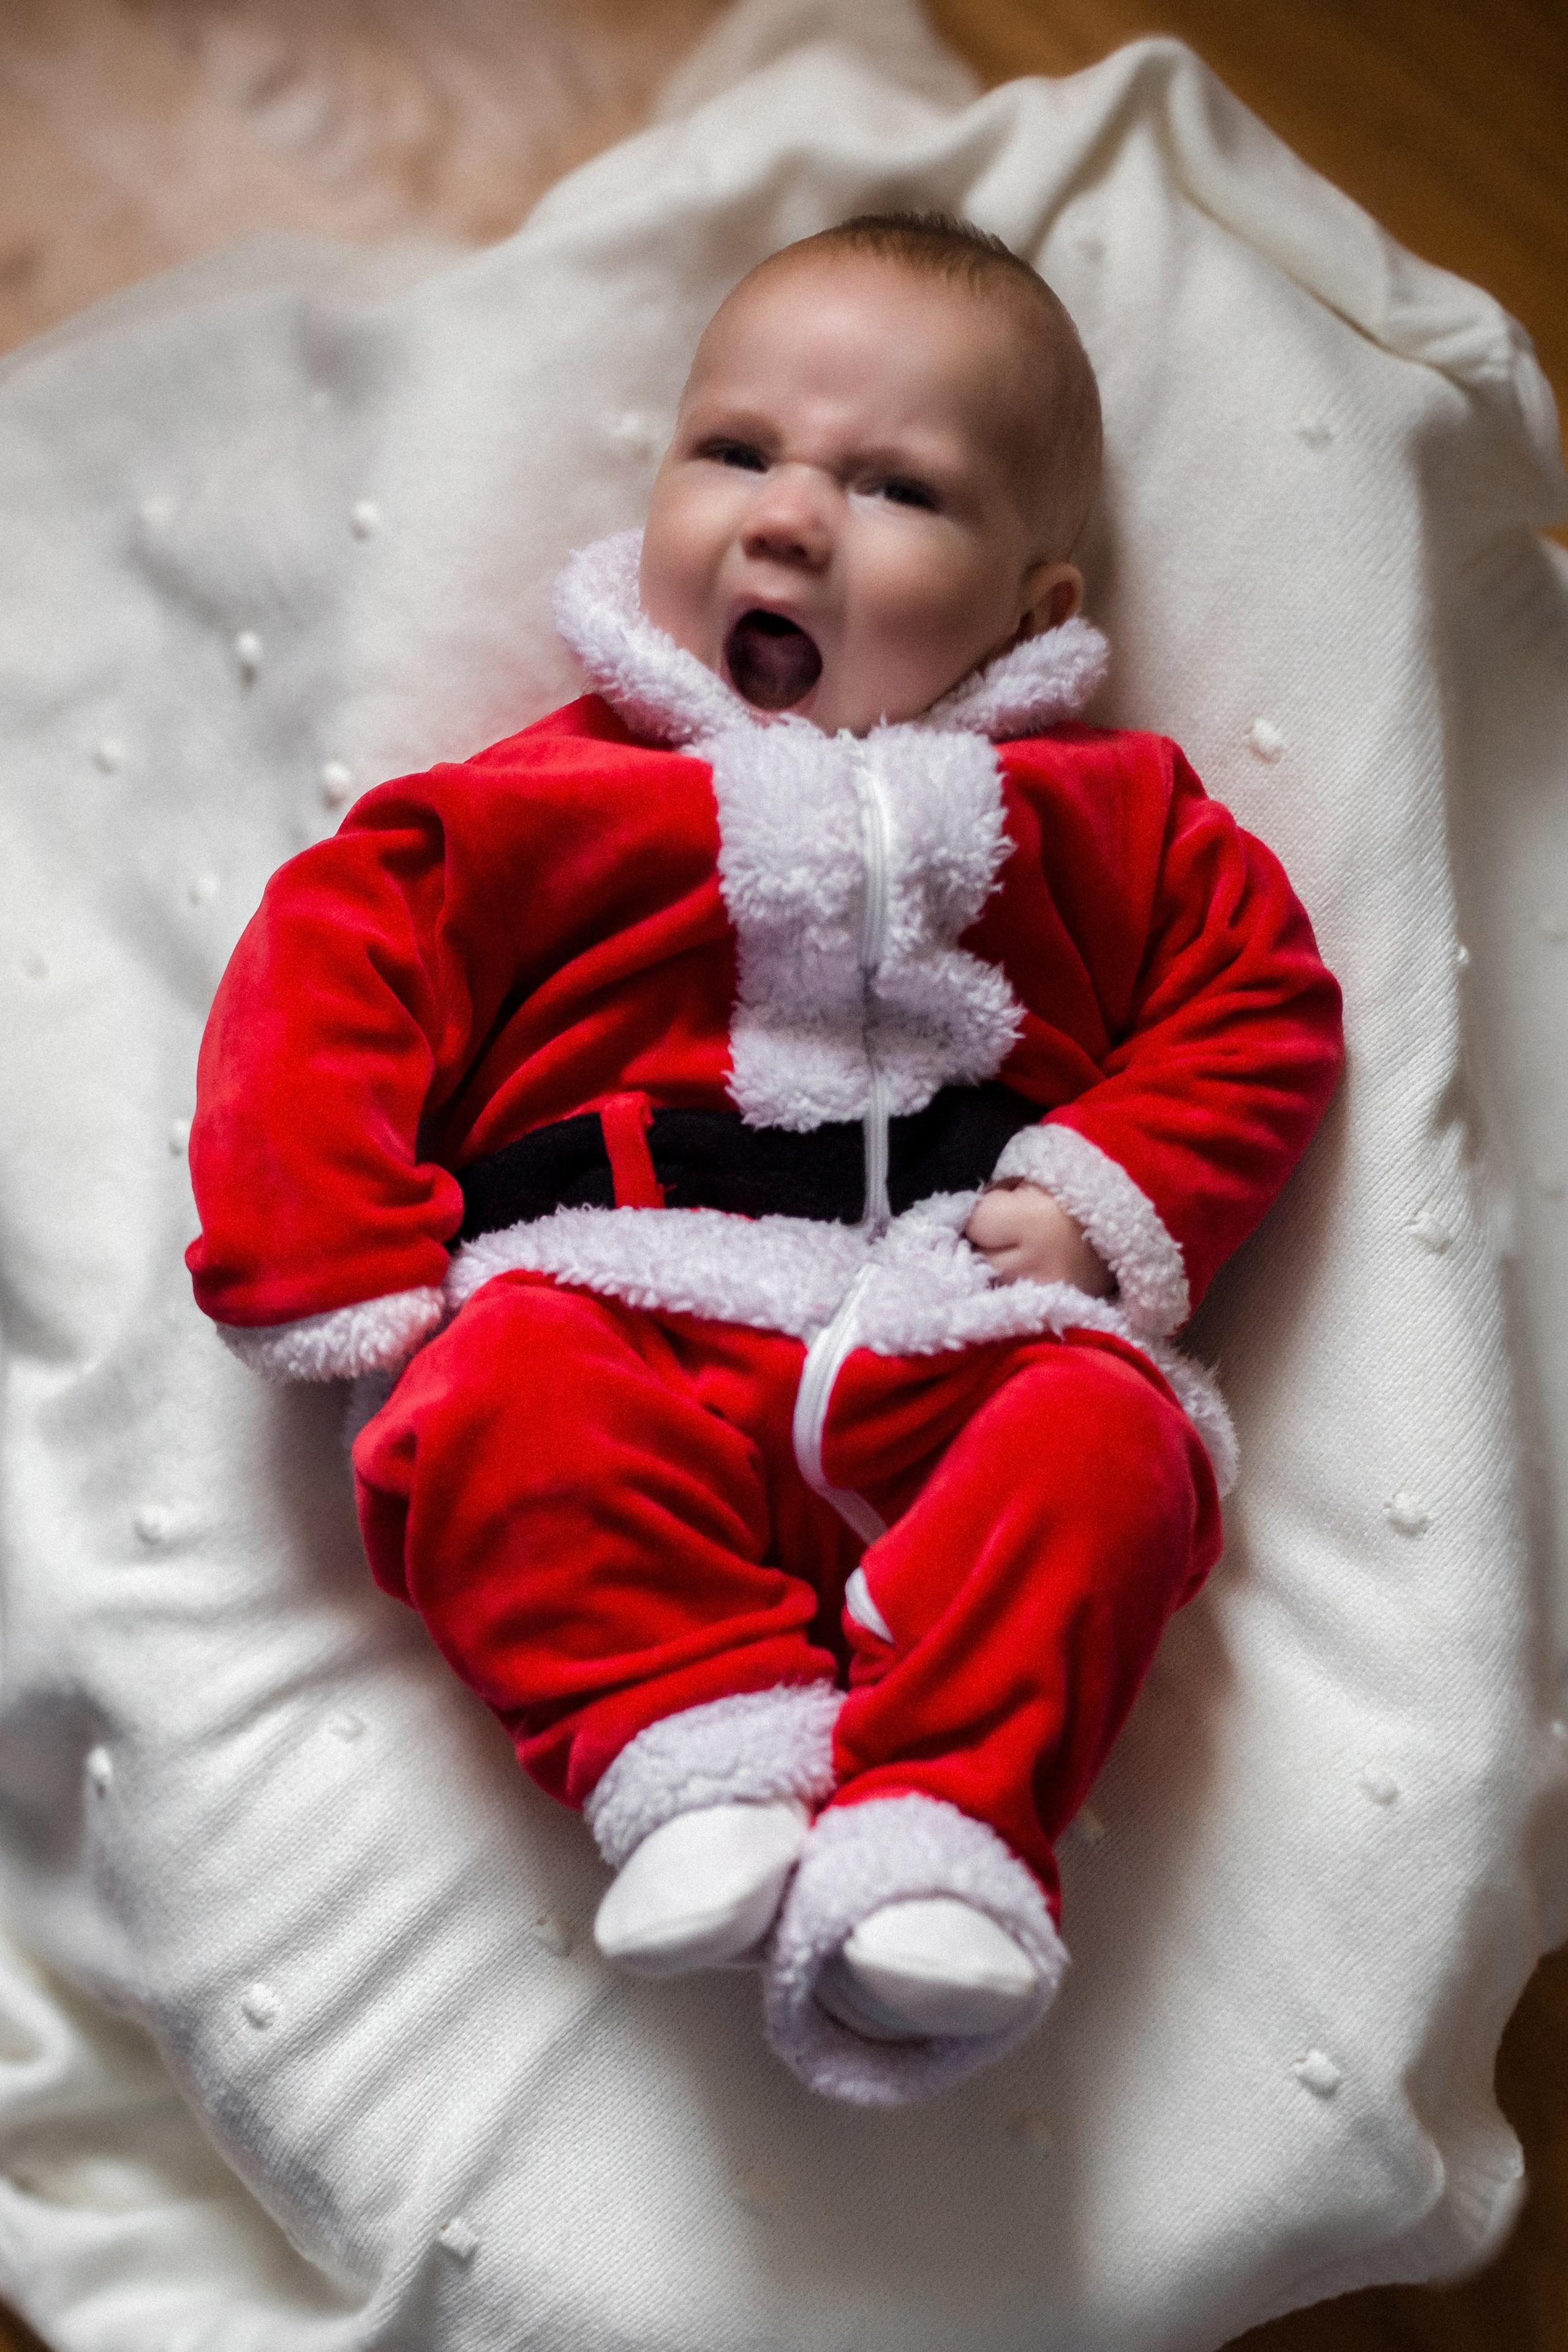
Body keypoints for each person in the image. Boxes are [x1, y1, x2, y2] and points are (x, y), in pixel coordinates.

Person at [186, 213, 1343, 2105]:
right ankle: (683, 1737)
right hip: (614, 1298)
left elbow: (1261, 999)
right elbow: (327, 971)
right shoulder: (536, 805)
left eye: (896, 487)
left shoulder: (1110, 816)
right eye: (735, 452)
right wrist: (328, 1251)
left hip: (955, 1334)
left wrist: (1108, 1190)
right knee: (488, 1399)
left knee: (1115, 1448)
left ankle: (944, 1834)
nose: (790, 518)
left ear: (1035, 608)